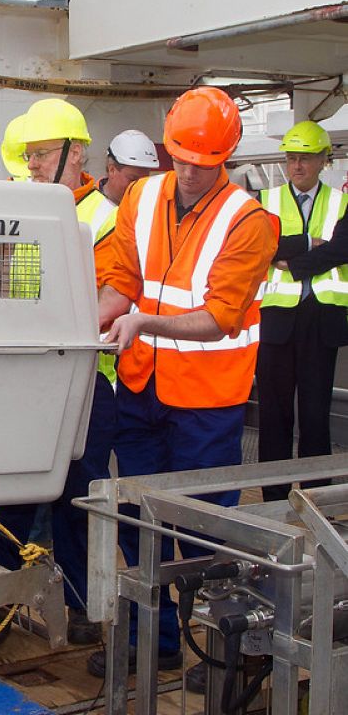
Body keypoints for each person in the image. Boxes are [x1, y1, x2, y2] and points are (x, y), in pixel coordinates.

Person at [87, 87, 278, 679]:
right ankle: (158, 640)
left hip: (206, 402)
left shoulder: (249, 221)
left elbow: (220, 316)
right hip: (142, 387)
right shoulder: (142, 196)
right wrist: (83, 321)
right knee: (143, 521)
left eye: (206, 162)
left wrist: (142, 320)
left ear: (227, 157)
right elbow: (122, 278)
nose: (192, 172)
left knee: (205, 531)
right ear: (168, 149)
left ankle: (230, 655)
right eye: (182, 159)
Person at [0, 98, 117, 646]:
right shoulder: (30, 210)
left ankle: (85, 606)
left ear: (75, 152)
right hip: (28, 375)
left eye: (42, 154)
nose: (34, 163)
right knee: (8, 487)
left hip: (89, 380)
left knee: (78, 497)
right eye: (30, 155)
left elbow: (99, 298)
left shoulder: (103, 218)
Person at [257, 121, 348, 501]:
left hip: (320, 321)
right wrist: (309, 244)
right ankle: (274, 500)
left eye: (306, 159)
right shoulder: (265, 199)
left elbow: (342, 250)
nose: (297, 166)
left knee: (315, 419)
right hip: (276, 320)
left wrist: (292, 261)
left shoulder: (342, 202)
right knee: (274, 418)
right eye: (292, 159)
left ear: (324, 160)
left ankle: (316, 500)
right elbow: (264, 246)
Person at [98, 130, 160, 206]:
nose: (139, 187)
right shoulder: (87, 205)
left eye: (144, 181)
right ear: (112, 170)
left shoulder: (150, 207)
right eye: (133, 179)